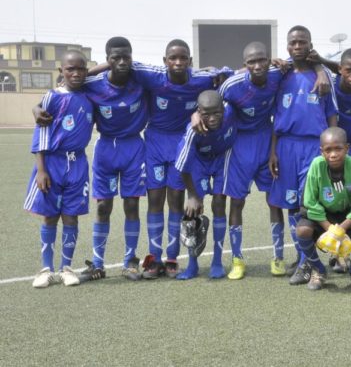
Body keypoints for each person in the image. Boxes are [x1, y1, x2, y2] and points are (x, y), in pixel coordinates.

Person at [125, 40, 230, 279]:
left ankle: (172, 257)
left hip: (183, 143)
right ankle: (153, 258)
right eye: (173, 58)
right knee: (154, 199)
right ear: (165, 60)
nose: (178, 62)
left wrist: (195, 114)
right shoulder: (154, 75)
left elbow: (229, 72)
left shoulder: (201, 79)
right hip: (154, 142)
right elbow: (120, 62)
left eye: (183, 58)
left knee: (175, 199)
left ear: (191, 61)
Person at [205, 41, 286, 279]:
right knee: (237, 202)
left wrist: (273, 151)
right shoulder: (232, 85)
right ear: (245, 64)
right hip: (239, 146)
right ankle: (237, 259)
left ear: (270, 59)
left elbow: (302, 61)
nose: (258, 65)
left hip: (266, 141)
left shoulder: (277, 74)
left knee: (274, 201)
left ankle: (278, 257)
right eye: (252, 62)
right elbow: (211, 103)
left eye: (263, 59)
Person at [268, 25, 338, 285]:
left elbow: (332, 113)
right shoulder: (280, 74)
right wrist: (273, 151)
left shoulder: (323, 76)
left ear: (310, 45)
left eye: (302, 42)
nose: (297, 46)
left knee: (306, 205)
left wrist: (331, 149)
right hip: (285, 147)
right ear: (287, 46)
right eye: (293, 42)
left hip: (312, 146)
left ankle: (309, 263)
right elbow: (274, 117)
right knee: (290, 203)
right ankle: (302, 258)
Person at [79, 37, 149, 281]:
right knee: (102, 206)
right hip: (106, 147)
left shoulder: (140, 80)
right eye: (115, 58)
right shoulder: (94, 84)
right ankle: (97, 263)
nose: (122, 62)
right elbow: (69, 79)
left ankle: (130, 261)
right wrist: (102, 67)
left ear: (132, 57)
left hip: (133, 146)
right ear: (107, 60)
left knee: (131, 204)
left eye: (126, 57)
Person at [24, 50, 94, 288]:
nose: (75, 73)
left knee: (71, 215)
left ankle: (66, 268)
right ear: (60, 71)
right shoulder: (52, 97)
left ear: (86, 70)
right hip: (52, 163)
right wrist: (41, 170)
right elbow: (40, 132)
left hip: (78, 163)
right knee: (50, 216)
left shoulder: (89, 95)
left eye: (80, 69)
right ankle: (46, 269)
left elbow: (103, 71)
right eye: (70, 69)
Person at [296, 127, 351, 290]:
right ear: (321, 151)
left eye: (338, 149)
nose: (333, 154)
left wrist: (342, 228)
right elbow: (309, 202)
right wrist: (330, 229)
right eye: (328, 150)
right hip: (324, 218)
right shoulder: (316, 165)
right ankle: (319, 270)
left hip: (348, 218)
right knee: (302, 230)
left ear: (347, 148)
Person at [174, 90, 236, 279]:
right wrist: (192, 196)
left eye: (216, 113)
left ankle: (217, 261)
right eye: (206, 114)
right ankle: (192, 265)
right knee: (193, 211)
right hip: (198, 162)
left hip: (221, 157)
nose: (212, 118)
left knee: (219, 203)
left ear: (223, 110)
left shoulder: (231, 110)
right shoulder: (192, 132)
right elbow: (183, 167)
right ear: (198, 112)